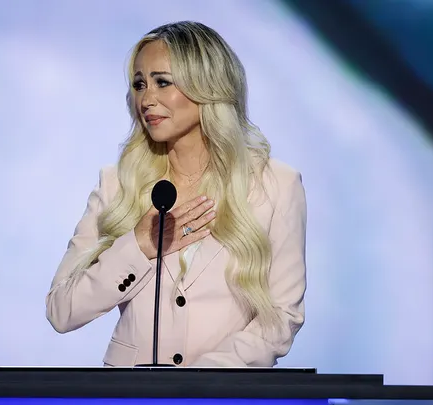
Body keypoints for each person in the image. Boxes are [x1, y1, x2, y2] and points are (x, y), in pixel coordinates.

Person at [45, 20, 307, 367]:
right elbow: (62, 311)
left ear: (207, 85)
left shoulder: (275, 184)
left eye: (162, 82)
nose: (146, 99)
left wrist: (200, 382)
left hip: (223, 395)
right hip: (129, 396)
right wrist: (139, 246)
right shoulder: (118, 184)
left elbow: (280, 317)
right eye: (139, 84)